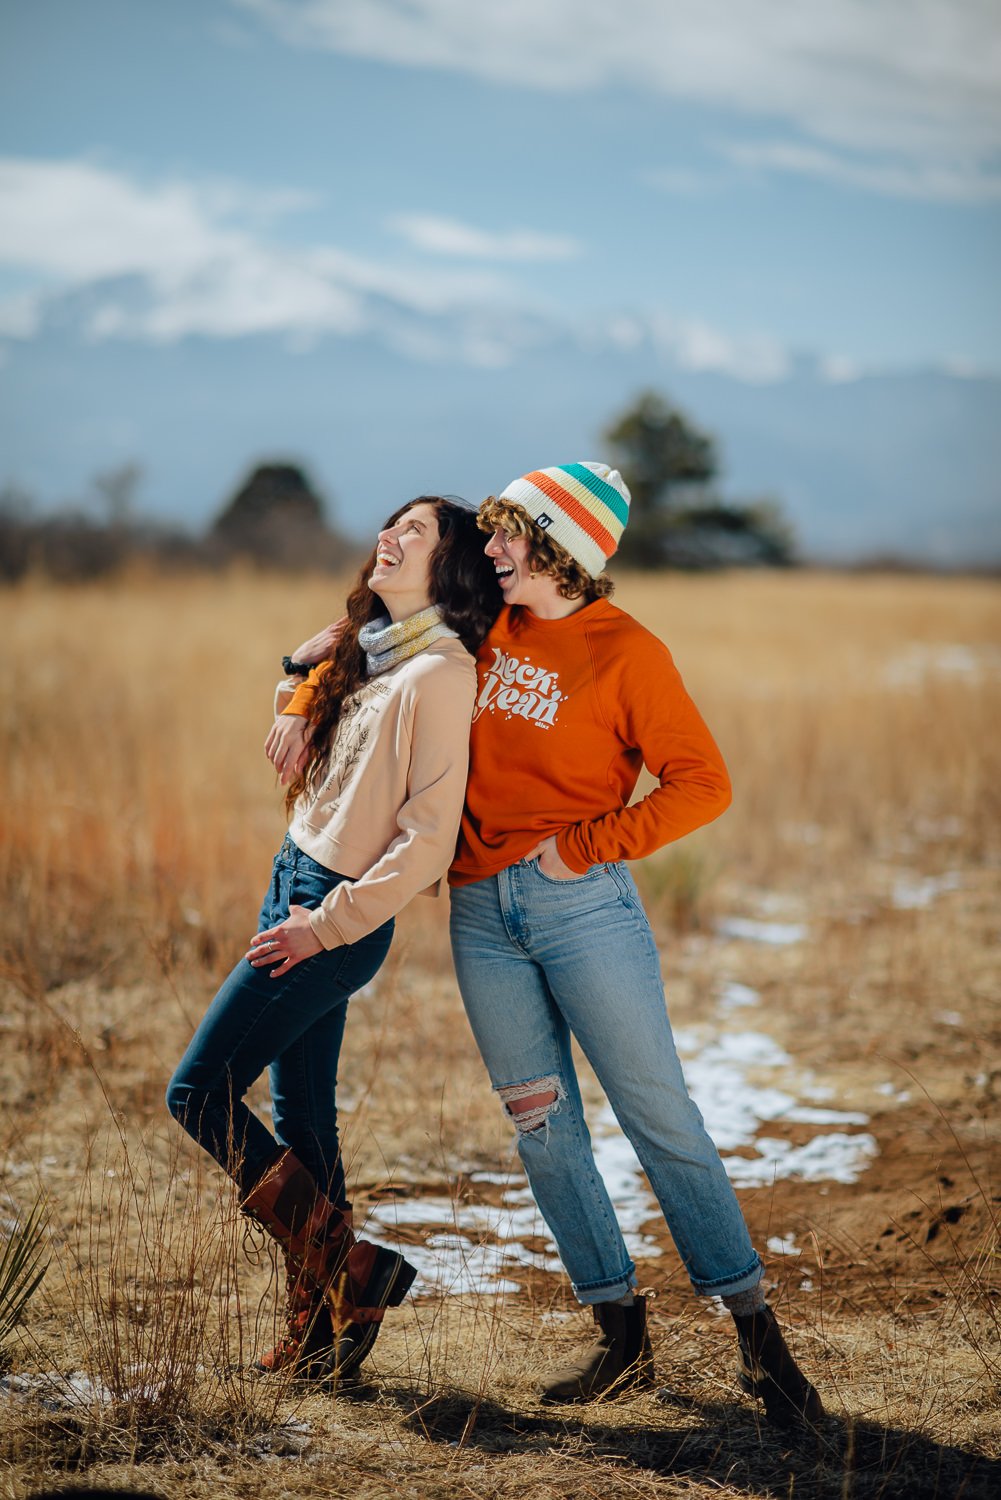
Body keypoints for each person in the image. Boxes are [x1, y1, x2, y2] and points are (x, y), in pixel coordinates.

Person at [445, 462, 824, 1427]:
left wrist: (584, 847)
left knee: (660, 1117)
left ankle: (757, 1340)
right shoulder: (485, 622)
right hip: (479, 915)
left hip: (581, 909)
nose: (489, 550)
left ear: (560, 547)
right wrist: (304, 673)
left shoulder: (629, 653)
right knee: (541, 1128)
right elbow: (374, 640)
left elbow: (702, 781)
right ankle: (617, 1337)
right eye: (489, 534)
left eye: (507, 535)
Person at [166, 495, 498, 1382]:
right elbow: (323, 773)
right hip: (297, 880)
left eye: (415, 532)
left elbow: (427, 838)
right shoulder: (374, 653)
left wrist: (326, 925)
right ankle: (318, 1339)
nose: (388, 537)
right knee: (302, 1119)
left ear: (451, 565)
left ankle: (357, 1267)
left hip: (332, 914)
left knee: (196, 1092)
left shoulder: (440, 673)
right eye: (390, 525)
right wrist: (300, 680)